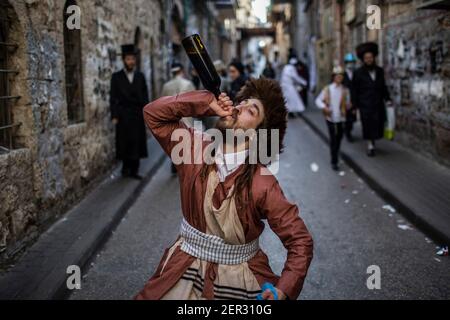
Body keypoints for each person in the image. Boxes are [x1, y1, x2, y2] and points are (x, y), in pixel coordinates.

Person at [135, 77, 313, 300]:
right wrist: (205, 103)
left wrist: (283, 289)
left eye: (251, 110)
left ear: (258, 132)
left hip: (243, 279)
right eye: (242, 102)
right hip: (182, 270)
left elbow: (300, 241)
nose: (239, 108)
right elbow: (154, 114)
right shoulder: (192, 149)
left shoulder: (263, 184)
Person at [110, 44, 149, 179]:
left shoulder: (140, 76)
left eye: (133, 59)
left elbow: (145, 96)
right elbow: (113, 97)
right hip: (123, 114)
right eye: (128, 59)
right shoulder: (116, 77)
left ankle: (135, 170)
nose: (131, 61)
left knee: (137, 141)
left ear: (135, 60)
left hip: (137, 114)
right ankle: (125, 168)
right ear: (124, 60)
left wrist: (146, 114)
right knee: (124, 141)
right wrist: (114, 115)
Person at [352, 42, 392, 157]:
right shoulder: (358, 73)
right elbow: (354, 90)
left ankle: (373, 141)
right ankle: (370, 145)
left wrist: (387, 98)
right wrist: (355, 105)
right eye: (366, 58)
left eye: (370, 57)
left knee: (378, 124)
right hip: (365, 104)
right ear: (363, 60)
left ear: (374, 58)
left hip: (377, 103)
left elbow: (383, 86)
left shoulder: (379, 71)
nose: (369, 60)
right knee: (368, 125)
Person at [161, 62, 196, 174]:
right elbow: (195, 101)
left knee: (174, 142)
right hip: (186, 118)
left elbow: (162, 104)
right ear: (182, 71)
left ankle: (175, 165)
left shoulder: (166, 86)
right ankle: (185, 168)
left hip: (171, 119)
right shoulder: (188, 84)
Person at [315, 66, 351, 171]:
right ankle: (334, 160)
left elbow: (348, 103)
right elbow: (318, 100)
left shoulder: (345, 90)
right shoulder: (328, 89)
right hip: (330, 118)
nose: (339, 78)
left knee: (339, 137)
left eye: (341, 76)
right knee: (333, 139)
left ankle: (336, 152)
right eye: (337, 76)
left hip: (341, 118)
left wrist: (348, 105)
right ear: (334, 77)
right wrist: (324, 107)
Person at [343, 53, 358, 142]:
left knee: (352, 117)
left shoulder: (356, 73)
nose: (350, 64)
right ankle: (347, 133)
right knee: (347, 117)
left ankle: (348, 130)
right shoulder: (343, 74)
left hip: (353, 99)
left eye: (352, 62)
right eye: (349, 62)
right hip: (345, 99)